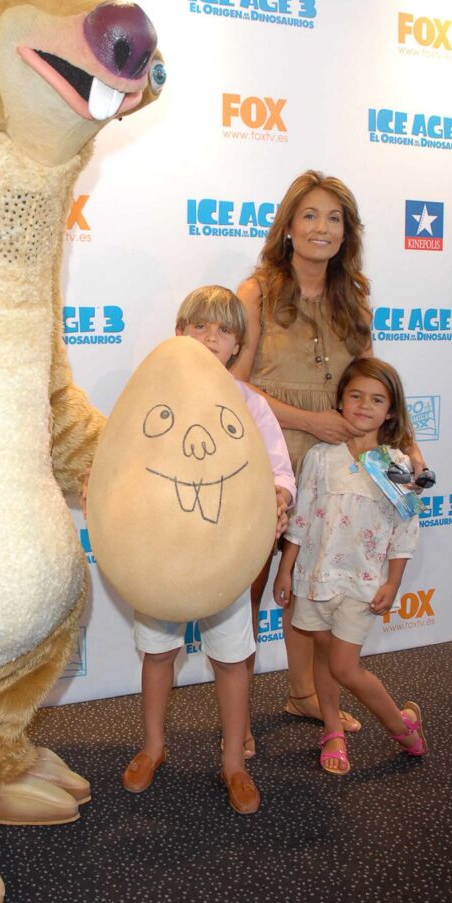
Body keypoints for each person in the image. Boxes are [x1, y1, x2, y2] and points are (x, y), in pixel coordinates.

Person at [235, 169, 428, 733]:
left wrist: (407, 444)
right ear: (289, 226)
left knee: (311, 591)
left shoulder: (354, 299)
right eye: (310, 215)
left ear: (347, 232)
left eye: (334, 218)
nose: (322, 227)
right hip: (266, 462)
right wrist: (307, 420)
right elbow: (236, 386)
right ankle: (238, 724)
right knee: (248, 595)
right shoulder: (257, 293)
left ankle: (303, 695)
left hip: (336, 471)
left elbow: (373, 380)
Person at [121, 286, 296, 814]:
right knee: (158, 652)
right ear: (179, 333)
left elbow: (279, 470)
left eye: (223, 330)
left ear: (238, 343)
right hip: (162, 555)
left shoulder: (250, 404)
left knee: (232, 659)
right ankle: (152, 747)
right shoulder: (151, 398)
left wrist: (280, 496)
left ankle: (234, 762)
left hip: (226, 558)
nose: (210, 337)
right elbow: (122, 463)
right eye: (199, 326)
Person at [272, 357, 427, 773]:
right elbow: (301, 518)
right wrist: (286, 568)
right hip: (315, 578)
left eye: (376, 399)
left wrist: (393, 583)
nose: (364, 405)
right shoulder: (321, 457)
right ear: (340, 400)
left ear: (390, 411)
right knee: (324, 657)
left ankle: (402, 726)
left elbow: (404, 531)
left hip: (363, 581)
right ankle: (332, 731)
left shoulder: (397, 465)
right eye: (355, 395)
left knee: (344, 665)